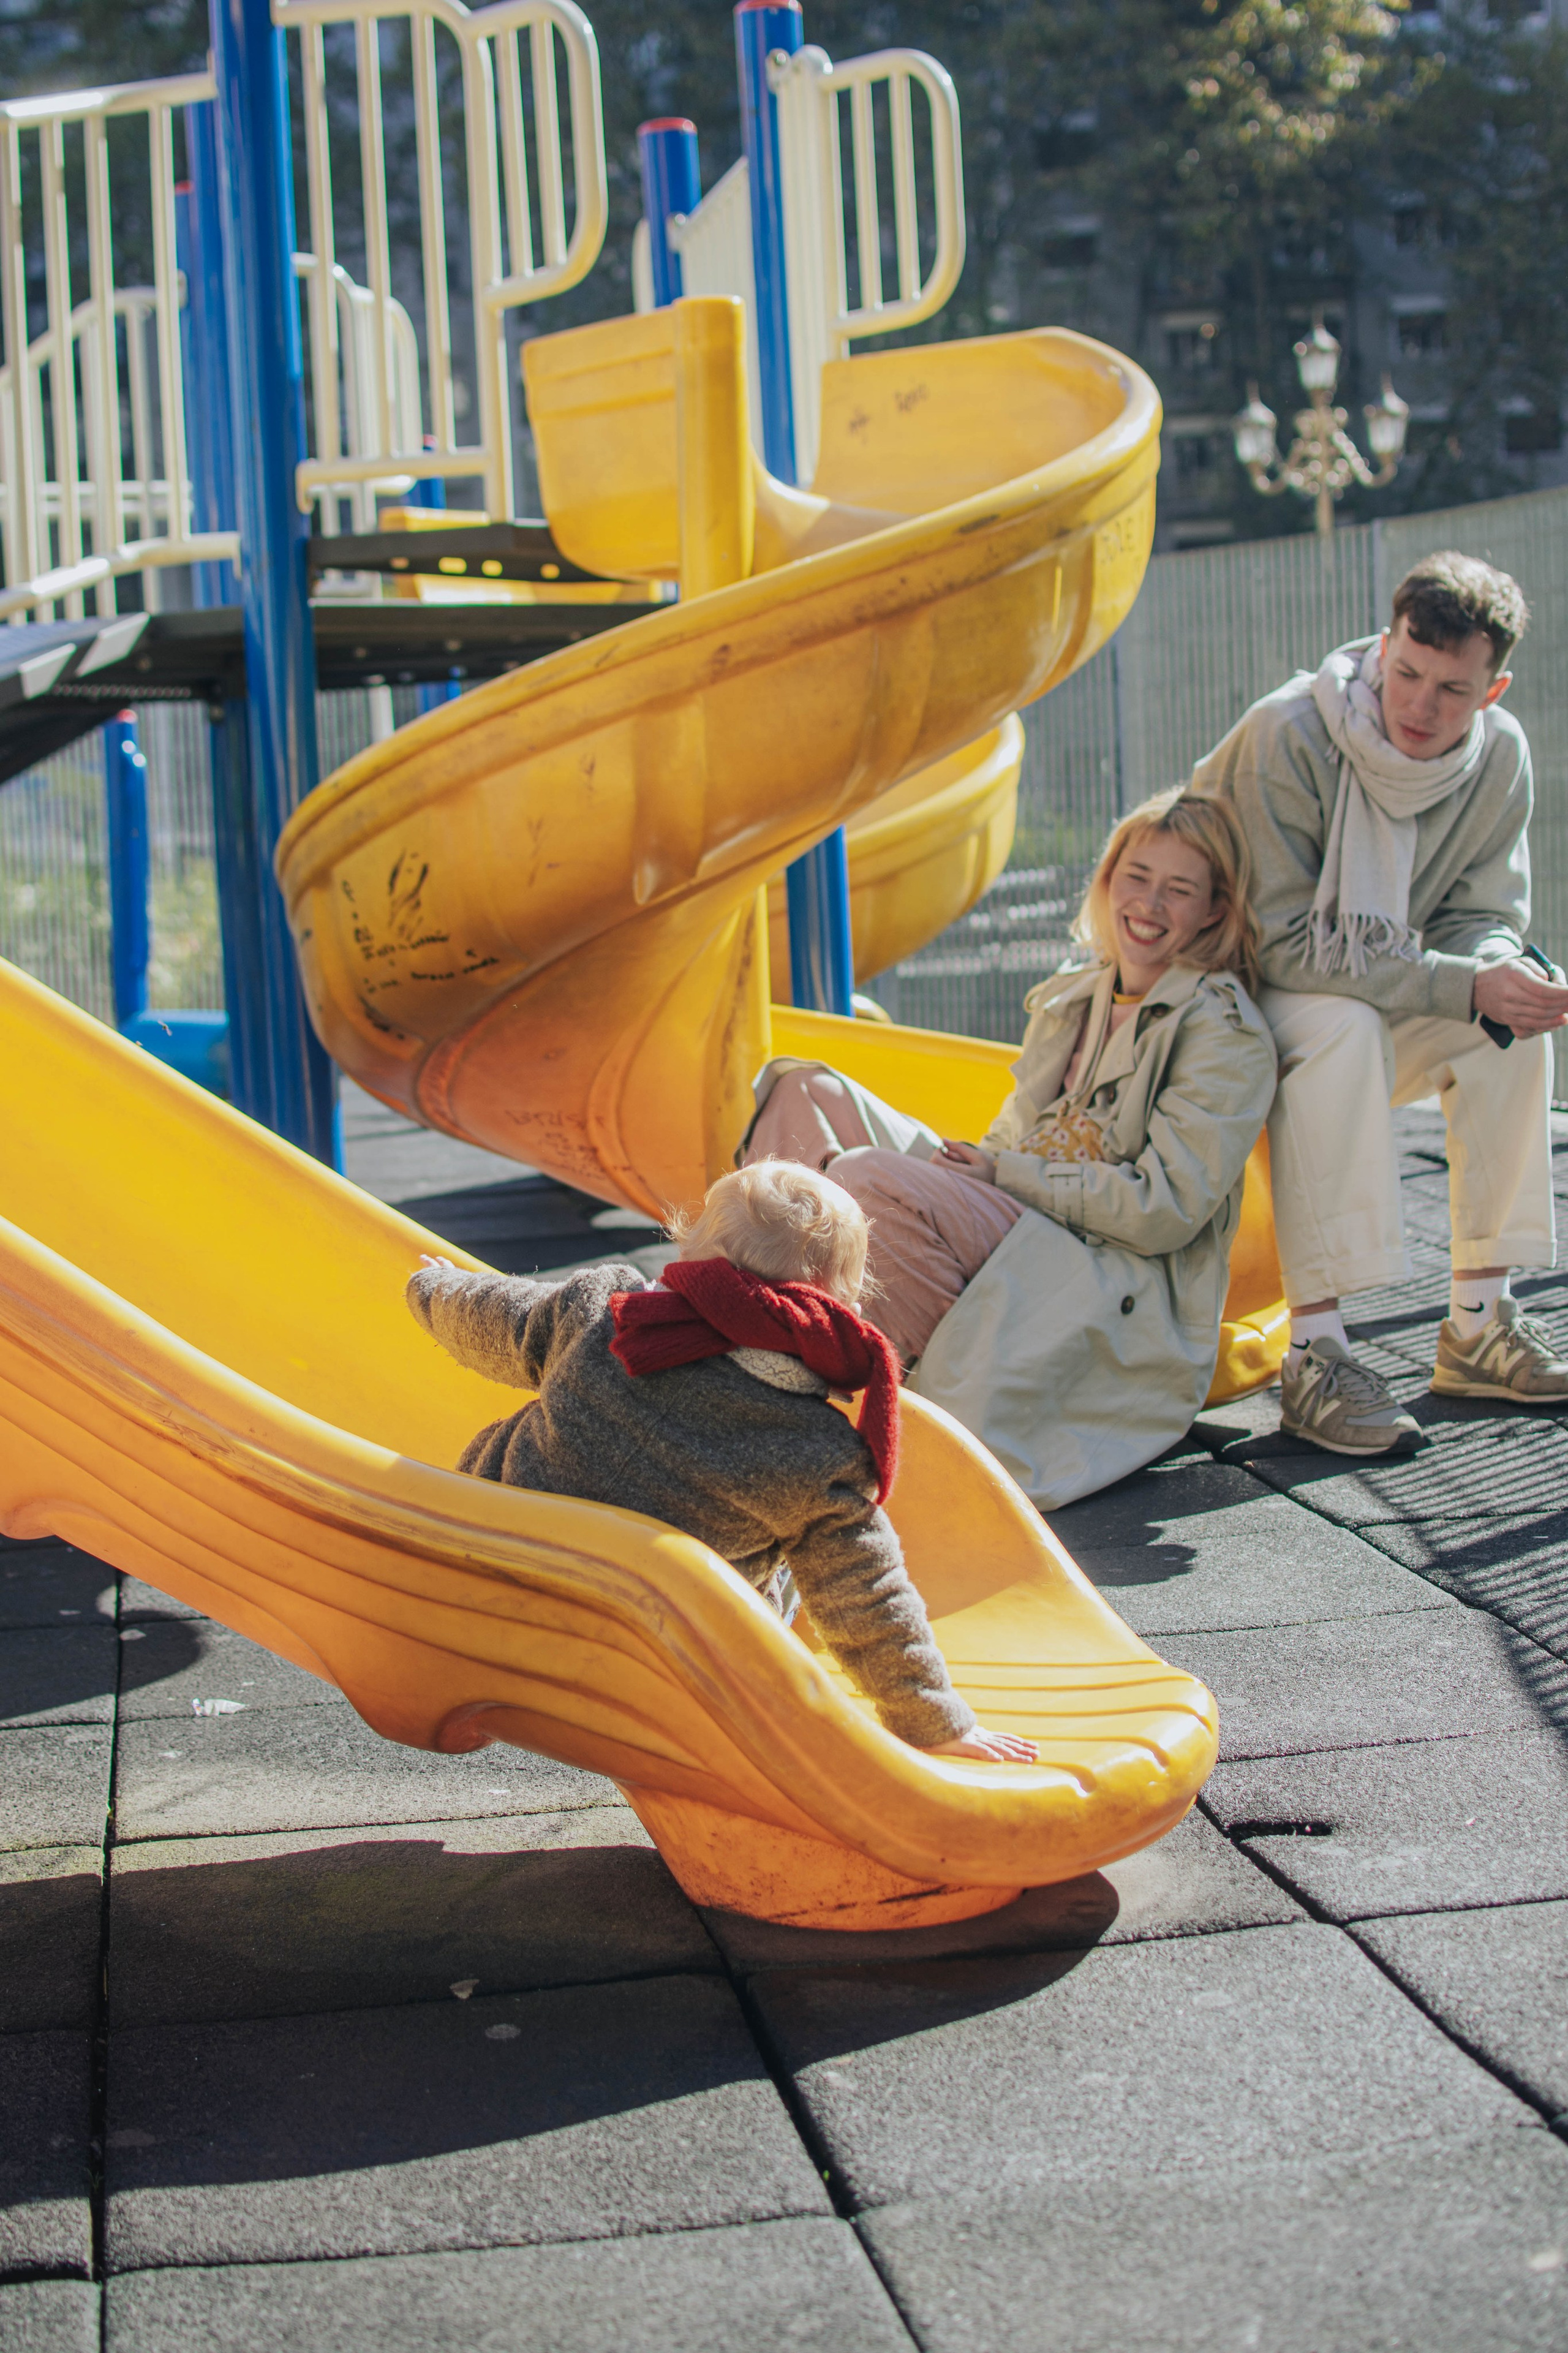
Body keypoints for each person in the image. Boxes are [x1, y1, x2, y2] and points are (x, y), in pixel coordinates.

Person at [742, 790, 1277, 1508]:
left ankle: (801, 1382)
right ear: (1108, 879)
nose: (1148, 904)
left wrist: (1005, 1174)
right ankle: (753, 1326)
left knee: (868, 1178)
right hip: (1022, 1212)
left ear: (1214, 909)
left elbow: (1166, 1211)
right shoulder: (1077, 998)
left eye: (1179, 889)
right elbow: (1011, 1136)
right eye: (1136, 877)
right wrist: (979, 1170)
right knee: (801, 1088)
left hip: (1101, 1265)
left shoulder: (1221, 1032)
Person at [406, 1160, 1035, 1764]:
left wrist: (433, 1289)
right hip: (668, 1660)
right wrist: (935, 1723)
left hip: (494, 1565)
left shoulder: (606, 1310)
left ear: (689, 1251)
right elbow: (868, 1596)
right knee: (799, 1565)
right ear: (840, 1301)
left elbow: (496, 1317)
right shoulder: (815, 1454)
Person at [1194, 550, 1568, 1457]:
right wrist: (1459, 978)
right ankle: (1317, 1354)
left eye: (1451, 688)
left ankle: (1480, 1323)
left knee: (1507, 1031)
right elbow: (1283, 945)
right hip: (1232, 1006)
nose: (1419, 705)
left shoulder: (1500, 756)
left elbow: (1481, 913)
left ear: (1493, 688)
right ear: (1383, 648)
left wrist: (1499, 971)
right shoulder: (1291, 733)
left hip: (1368, 983)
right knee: (1343, 1029)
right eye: (1405, 672)